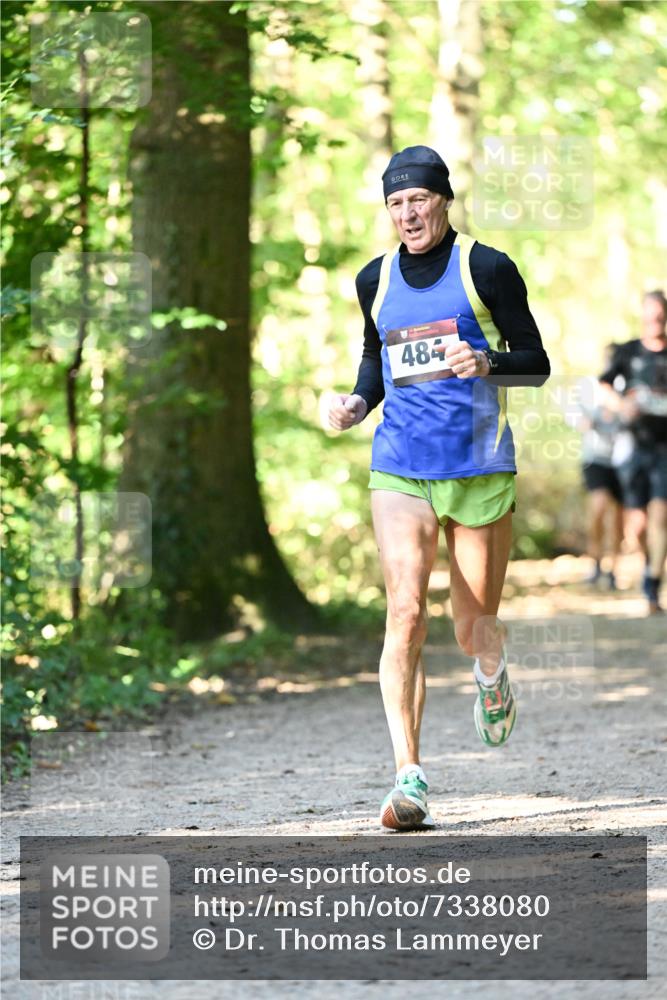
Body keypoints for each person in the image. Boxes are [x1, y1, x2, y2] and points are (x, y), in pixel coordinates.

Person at [329, 146, 550, 831]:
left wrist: (486, 361)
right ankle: (409, 777)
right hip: (400, 463)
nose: (407, 213)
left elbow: (536, 364)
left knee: (469, 628)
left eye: (418, 199)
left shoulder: (485, 267)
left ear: (442, 200)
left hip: (478, 466)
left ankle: (490, 673)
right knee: (404, 615)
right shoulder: (375, 278)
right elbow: (375, 358)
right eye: (395, 204)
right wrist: (355, 405)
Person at [598, 291, 667, 614]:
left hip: (665, 447)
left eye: (660, 314)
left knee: (661, 517)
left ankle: (653, 584)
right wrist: (622, 405)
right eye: (650, 314)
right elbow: (604, 386)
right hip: (634, 447)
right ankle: (648, 564)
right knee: (636, 526)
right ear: (642, 316)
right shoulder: (627, 351)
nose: (655, 320)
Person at [578, 350, 625, 589]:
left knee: (618, 519)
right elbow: (577, 418)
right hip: (594, 458)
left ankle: (613, 570)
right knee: (598, 508)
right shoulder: (590, 387)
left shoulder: (629, 384)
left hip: (622, 459)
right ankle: (595, 562)